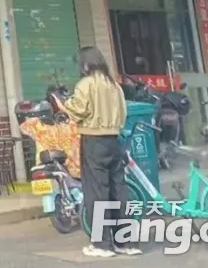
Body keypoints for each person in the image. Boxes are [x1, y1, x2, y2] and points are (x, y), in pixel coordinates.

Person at [58, 47, 138, 259]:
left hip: (94, 141)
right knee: (118, 190)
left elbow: (78, 110)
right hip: (114, 141)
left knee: (97, 192)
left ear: (86, 64)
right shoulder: (114, 85)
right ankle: (125, 242)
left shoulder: (86, 84)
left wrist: (63, 104)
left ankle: (102, 244)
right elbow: (123, 114)